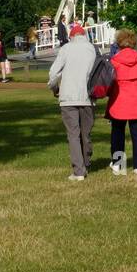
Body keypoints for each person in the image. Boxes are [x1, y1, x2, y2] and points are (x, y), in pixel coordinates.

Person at [48, 22, 97, 182]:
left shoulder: (66, 49)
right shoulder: (93, 49)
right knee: (86, 133)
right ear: (84, 35)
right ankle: (86, 163)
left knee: (73, 135)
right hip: (88, 96)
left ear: (71, 37)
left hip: (68, 97)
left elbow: (54, 72)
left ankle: (78, 171)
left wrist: (54, 87)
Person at [106, 28, 137, 174]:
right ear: (134, 42)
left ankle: (118, 164)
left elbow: (109, 81)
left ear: (119, 42)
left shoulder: (114, 60)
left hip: (119, 100)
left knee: (118, 133)